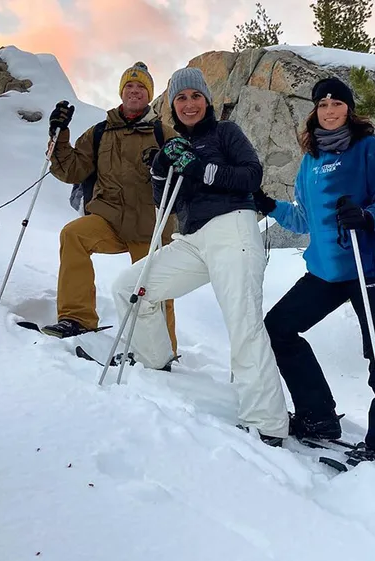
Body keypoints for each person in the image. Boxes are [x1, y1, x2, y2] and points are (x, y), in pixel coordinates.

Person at [110, 67, 289, 445]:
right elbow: (166, 204)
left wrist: (200, 169)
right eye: (180, 98)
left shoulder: (226, 133)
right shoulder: (176, 144)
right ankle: (154, 361)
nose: (189, 104)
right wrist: (161, 170)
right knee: (131, 286)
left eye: (195, 96)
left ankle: (266, 422)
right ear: (172, 106)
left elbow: (250, 176)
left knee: (243, 322)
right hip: (192, 238)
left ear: (207, 100)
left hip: (233, 230)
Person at [252, 77, 375, 464]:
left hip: (370, 265)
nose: (329, 111)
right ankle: (318, 416)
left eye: (336, 103)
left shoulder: (368, 149)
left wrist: (368, 216)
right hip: (327, 269)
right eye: (322, 105)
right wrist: (268, 204)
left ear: (349, 109)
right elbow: (304, 219)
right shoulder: (311, 161)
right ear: (315, 112)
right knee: (279, 328)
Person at [42, 61, 178, 352]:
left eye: (141, 86)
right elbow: (73, 171)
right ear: (121, 92)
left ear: (148, 94)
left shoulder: (162, 134)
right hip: (109, 220)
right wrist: (59, 133)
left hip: (150, 226)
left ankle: (162, 349)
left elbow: (183, 174)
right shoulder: (100, 132)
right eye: (129, 85)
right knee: (73, 235)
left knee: (152, 287)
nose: (134, 90)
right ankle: (77, 319)